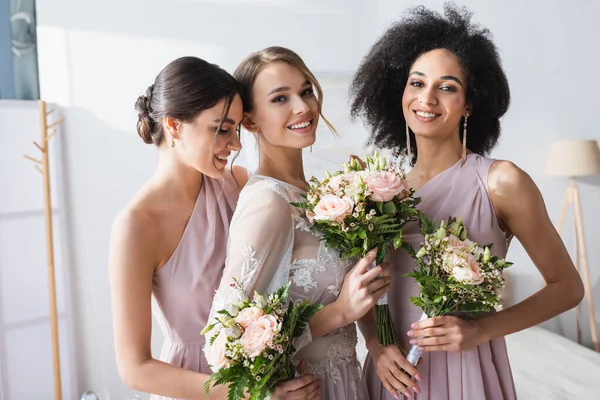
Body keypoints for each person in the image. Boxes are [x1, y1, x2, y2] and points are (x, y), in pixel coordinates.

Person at [349, 4, 584, 400]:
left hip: (464, 371)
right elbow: (368, 289)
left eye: (447, 87)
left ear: (470, 104)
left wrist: (479, 330)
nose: (427, 98)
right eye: (416, 83)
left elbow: (568, 287)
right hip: (391, 374)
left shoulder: (501, 181)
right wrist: (375, 343)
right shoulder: (379, 191)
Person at [109, 56, 319, 399]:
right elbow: (134, 368)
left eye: (236, 128)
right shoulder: (135, 226)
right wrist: (255, 395)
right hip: (198, 387)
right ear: (175, 126)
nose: (235, 144)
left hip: (269, 377)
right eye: (221, 129)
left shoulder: (241, 186)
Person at [205, 46, 404, 400]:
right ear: (250, 121)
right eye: (280, 98)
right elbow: (224, 342)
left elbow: (354, 296)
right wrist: (338, 312)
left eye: (305, 91)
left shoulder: (317, 197)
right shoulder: (268, 202)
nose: (303, 107)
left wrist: (376, 342)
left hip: (347, 383)